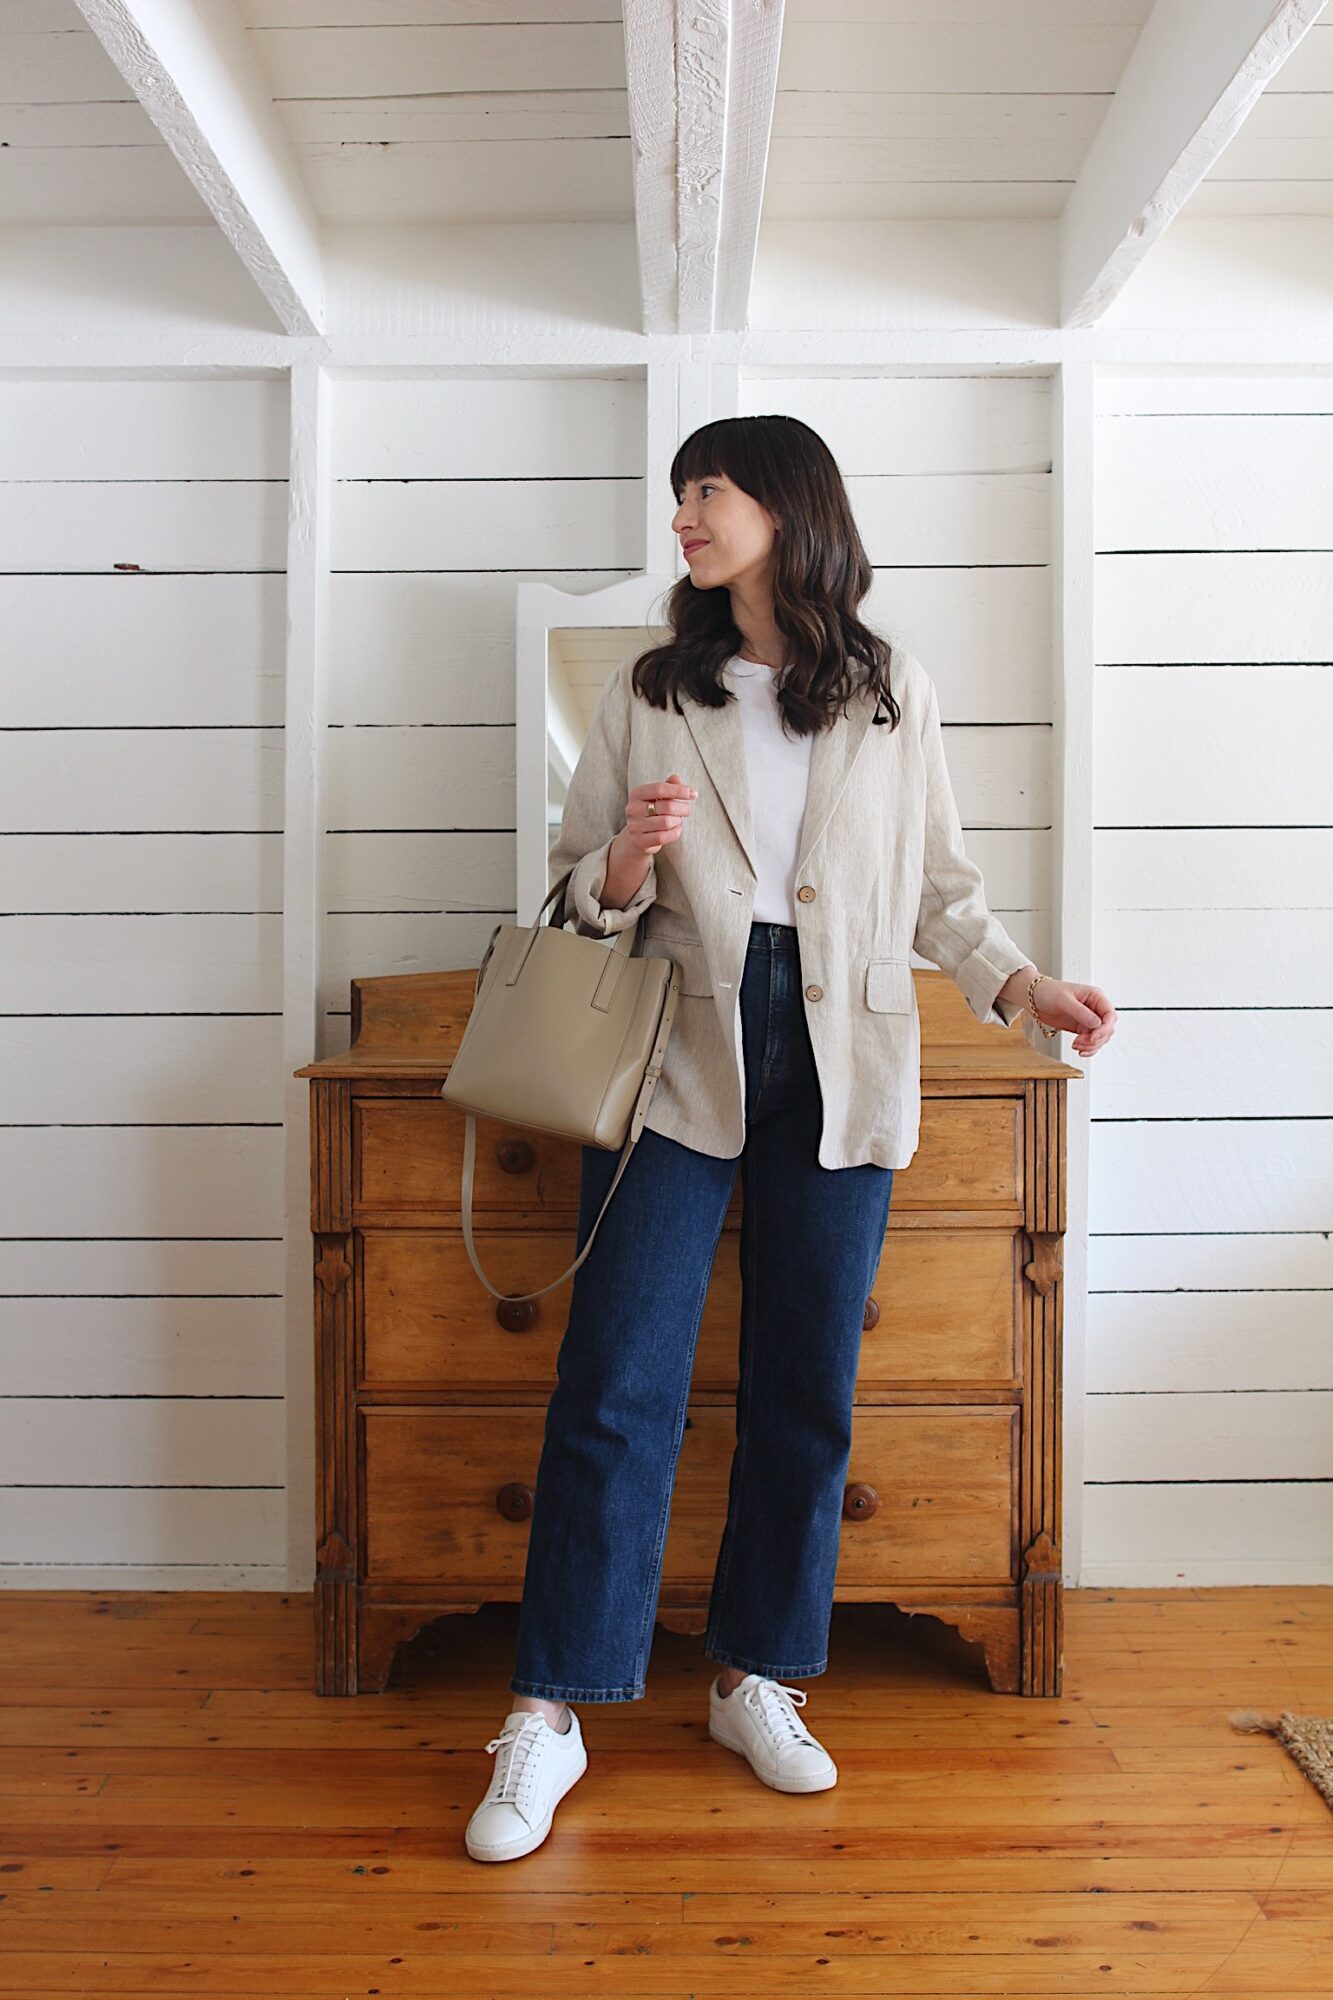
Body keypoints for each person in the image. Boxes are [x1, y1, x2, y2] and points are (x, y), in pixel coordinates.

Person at [465, 415, 1116, 1863]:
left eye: (706, 489)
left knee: (804, 1389)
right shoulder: (650, 685)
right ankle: (551, 1711)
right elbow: (575, 884)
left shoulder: (889, 690)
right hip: (669, 1047)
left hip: (845, 1049)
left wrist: (1024, 987)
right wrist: (624, 862)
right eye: (680, 493)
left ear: (783, 506)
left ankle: (755, 1675)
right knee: (613, 1385)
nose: (683, 514)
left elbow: (940, 889)